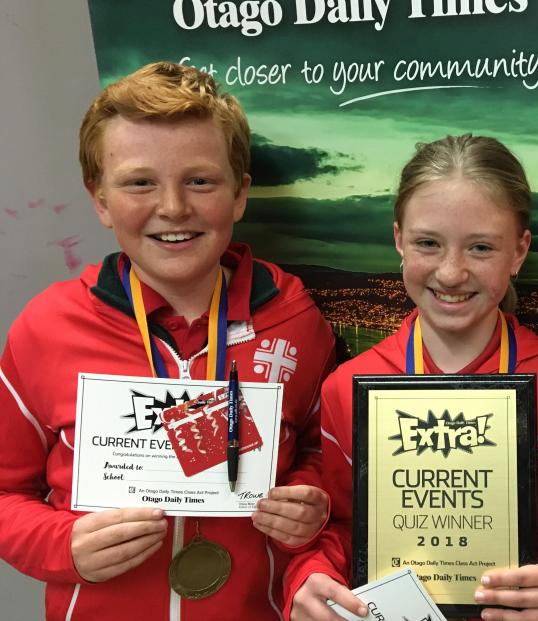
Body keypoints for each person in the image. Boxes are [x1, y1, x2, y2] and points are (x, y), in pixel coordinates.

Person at [0, 62, 336, 619]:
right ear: (100, 200)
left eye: (200, 181)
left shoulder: (296, 319)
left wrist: (310, 500)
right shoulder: (47, 327)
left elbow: (321, 452)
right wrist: (60, 545)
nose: (174, 208)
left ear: (239, 195)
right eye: (139, 183)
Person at [284, 134, 538, 621]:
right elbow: (343, 528)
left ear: (519, 251)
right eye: (428, 244)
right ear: (399, 240)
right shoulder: (346, 388)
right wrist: (306, 579)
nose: (452, 272)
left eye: (480, 247)